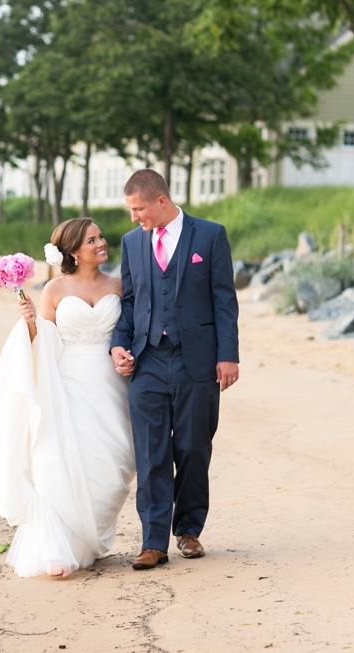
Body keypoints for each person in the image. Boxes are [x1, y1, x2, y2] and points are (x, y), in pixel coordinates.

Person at [0, 218, 135, 578]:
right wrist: (30, 321)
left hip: (112, 384)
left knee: (115, 459)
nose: (101, 243)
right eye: (92, 240)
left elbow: (130, 330)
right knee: (59, 459)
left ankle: (87, 537)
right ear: (73, 251)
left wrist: (128, 356)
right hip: (67, 385)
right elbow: (43, 338)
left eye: (101, 237)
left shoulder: (120, 285)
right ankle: (56, 547)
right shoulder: (54, 290)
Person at [110, 169, 240, 571]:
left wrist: (228, 355)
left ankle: (188, 531)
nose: (134, 217)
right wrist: (119, 344)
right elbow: (129, 303)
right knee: (151, 453)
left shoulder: (210, 235)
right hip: (147, 360)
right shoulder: (132, 243)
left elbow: (224, 298)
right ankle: (153, 542)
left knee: (193, 447)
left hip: (196, 359)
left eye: (138, 209)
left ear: (160, 201)